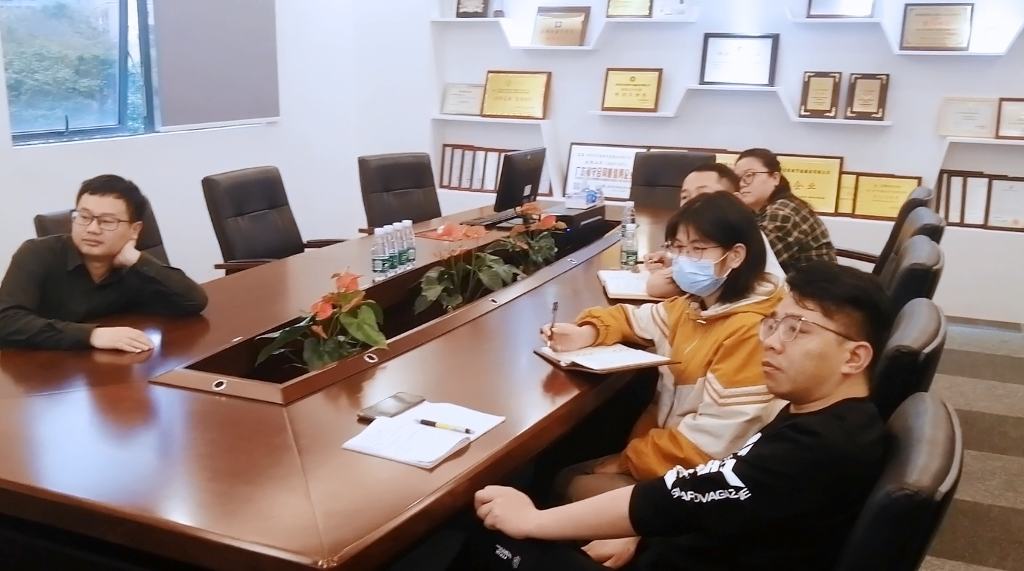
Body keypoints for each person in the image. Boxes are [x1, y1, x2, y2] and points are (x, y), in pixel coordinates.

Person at [465, 261, 894, 571]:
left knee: (491, 535)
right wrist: (640, 530)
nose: (772, 342)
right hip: (673, 544)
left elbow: (676, 497)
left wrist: (534, 521)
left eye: (797, 329)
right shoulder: (825, 415)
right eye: (774, 323)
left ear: (854, 357)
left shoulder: (819, 448)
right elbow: (705, 493)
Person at [540, 191, 786, 565]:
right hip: (670, 458)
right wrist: (586, 332)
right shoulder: (697, 305)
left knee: (567, 481)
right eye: (678, 248)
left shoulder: (750, 330)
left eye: (698, 249)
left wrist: (628, 461)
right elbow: (632, 318)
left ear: (735, 255)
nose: (683, 260)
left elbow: (710, 446)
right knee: (566, 468)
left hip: (705, 482)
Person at [0, 175, 208, 352]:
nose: (92, 229)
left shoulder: (132, 269)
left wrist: (137, 260)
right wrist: (91, 335)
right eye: (84, 217)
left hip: (100, 368)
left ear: (134, 230)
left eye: (107, 221)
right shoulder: (37, 253)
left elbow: (193, 302)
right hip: (32, 369)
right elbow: (7, 321)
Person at [644, 163, 784, 299]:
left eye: (704, 195)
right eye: (685, 197)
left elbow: (657, 286)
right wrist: (677, 260)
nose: (692, 203)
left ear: (735, 199)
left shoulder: (741, 236)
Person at [732, 148, 836, 273]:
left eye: (749, 175)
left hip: (815, 284)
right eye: (737, 178)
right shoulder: (757, 211)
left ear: (775, 178)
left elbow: (752, 262)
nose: (741, 184)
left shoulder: (783, 211)